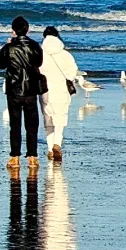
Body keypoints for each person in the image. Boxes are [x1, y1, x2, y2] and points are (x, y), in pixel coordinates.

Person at [0, 15, 47, 176]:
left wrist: (7, 47)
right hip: (31, 89)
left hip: (14, 89)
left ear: (13, 31)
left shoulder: (9, 47)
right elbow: (39, 63)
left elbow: (0, 65)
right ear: (28, 29)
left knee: (15, 124)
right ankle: (32, 157)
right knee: (32, 124)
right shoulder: (34, 45)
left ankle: (15, 157)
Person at [39, 24, 79, 163]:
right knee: (60, 118)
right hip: (61, 89)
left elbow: (37, 71)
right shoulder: (65, 54)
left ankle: (50, 149)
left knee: (48, 118)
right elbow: (72, 73)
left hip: (45, 90)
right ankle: (58, 144)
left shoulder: (40, 54)